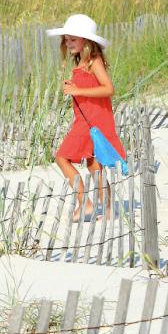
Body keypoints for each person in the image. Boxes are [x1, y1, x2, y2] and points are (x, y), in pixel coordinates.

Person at [47, 14, 125, 221]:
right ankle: (108, 210)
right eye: (66, 39)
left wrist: (78, 90)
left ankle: (85, 203)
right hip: (86, 119)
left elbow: (109, 89)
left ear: (86, 41)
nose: (68, 43)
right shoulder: (81, 62)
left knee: (62, 157)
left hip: (93, 120)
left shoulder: (93, 61)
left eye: (73, 39)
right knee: (93, 165)